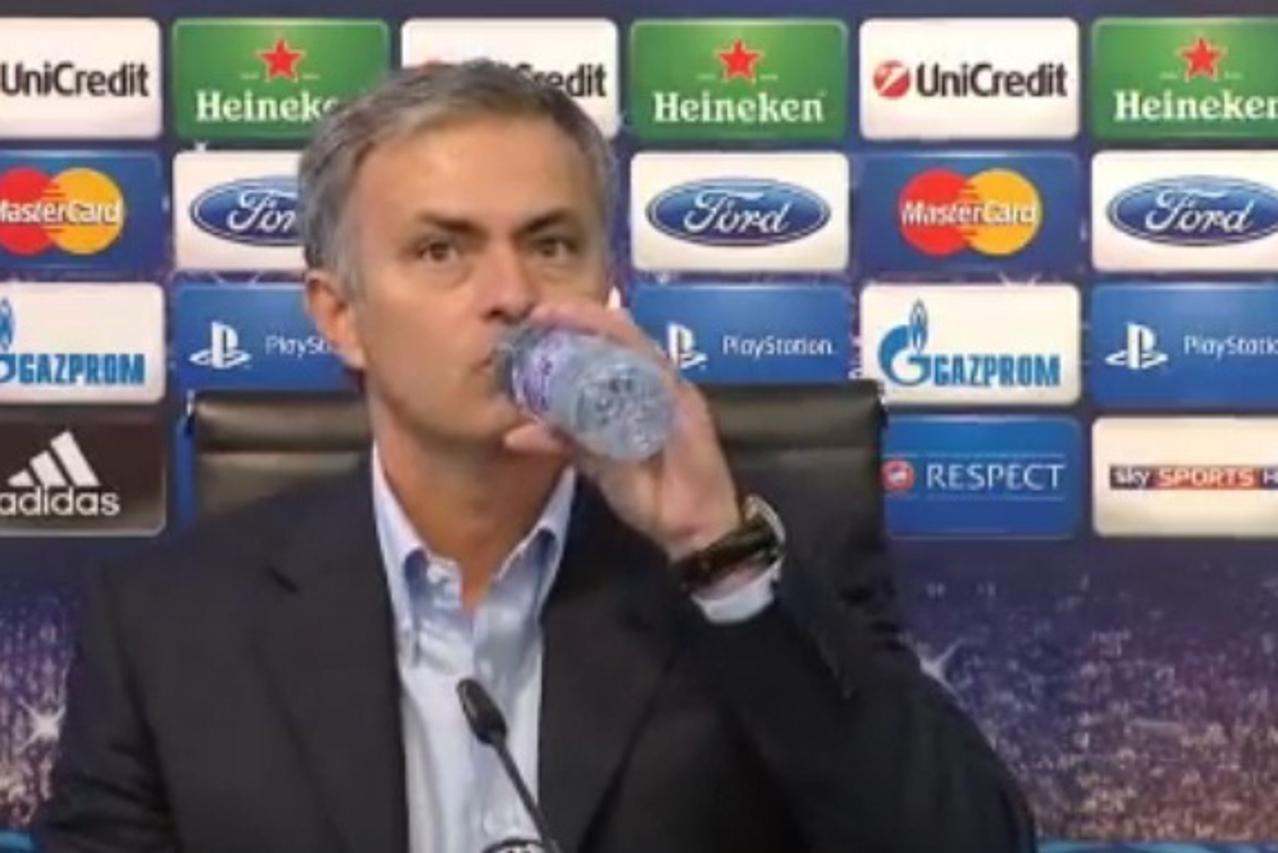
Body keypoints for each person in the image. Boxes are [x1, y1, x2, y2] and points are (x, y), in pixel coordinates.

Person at [35, 61, 1035, 853]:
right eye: (442, 250)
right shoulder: (168, 625)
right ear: (340, 316)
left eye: (552, 246)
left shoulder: (765, 560)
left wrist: (714, 550)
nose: (512, 293)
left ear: (605, 287)